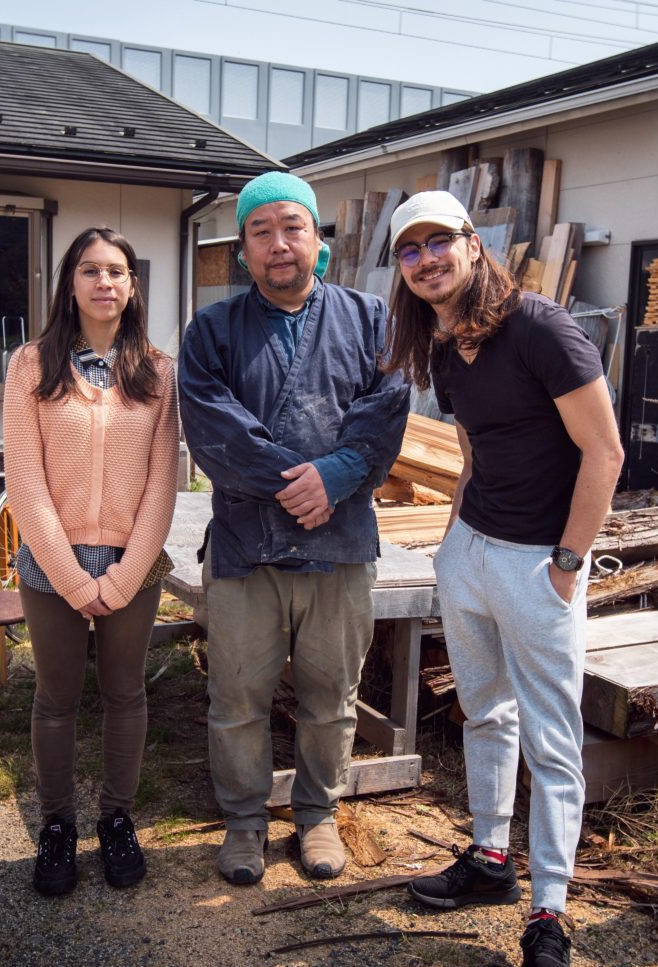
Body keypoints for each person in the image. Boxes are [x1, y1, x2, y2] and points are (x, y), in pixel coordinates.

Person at [384, 191, 624, 967]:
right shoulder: (448, 345)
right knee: (485, 713)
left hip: (537, 566)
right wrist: (455, 540)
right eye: (409, 250)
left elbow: (606, 451)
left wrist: (566, 562)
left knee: (553, 745)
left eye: (437, 242)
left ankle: (548, 918)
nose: (425, 260)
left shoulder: (542, 329)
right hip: (473, 556)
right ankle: (491, 857)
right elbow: (472, 448)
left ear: (473, 244)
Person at [178, 171, 410, 886]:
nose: (279, 245)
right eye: (260, 232)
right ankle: (245, 821)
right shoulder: (211, 331)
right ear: (242, 251)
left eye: (292, 227)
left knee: (330, 696)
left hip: (339, 547)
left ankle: (316, 815)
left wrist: (338, 478)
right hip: (248, 547)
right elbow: (214, 427)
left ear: (318, 240)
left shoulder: (373, 319)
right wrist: (302, 484)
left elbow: (387, 409)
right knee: (238, 698)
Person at [3, 226, 179, 897]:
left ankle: (116, 820)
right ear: (69, 284)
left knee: (126, 694)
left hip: (134, 561)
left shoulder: (158, 371)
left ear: (133, 286)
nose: (105, 282)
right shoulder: (31, 366)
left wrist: (124, 575)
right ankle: (55, 828)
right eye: (90, 270)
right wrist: (76, 580)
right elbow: (25, 480)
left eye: (118, 271)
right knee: (55, 699)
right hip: (53, 563)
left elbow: (164, 482)